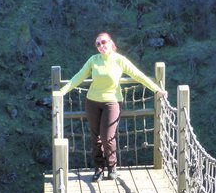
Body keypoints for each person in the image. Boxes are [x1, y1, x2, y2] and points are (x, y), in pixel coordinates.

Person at [60, 32, 166, 181]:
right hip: (92, 101)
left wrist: (156, 89)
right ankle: (98, 169)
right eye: (98, 44)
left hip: (112, 102)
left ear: (111, 43)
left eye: (103, 42)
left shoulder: (119, 60)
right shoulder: (93, 60)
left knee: (107, 136)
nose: (101, 46)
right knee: (95, 137)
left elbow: (138, 75)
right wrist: (61, 92)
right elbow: (78, 77)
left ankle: (112, 167)